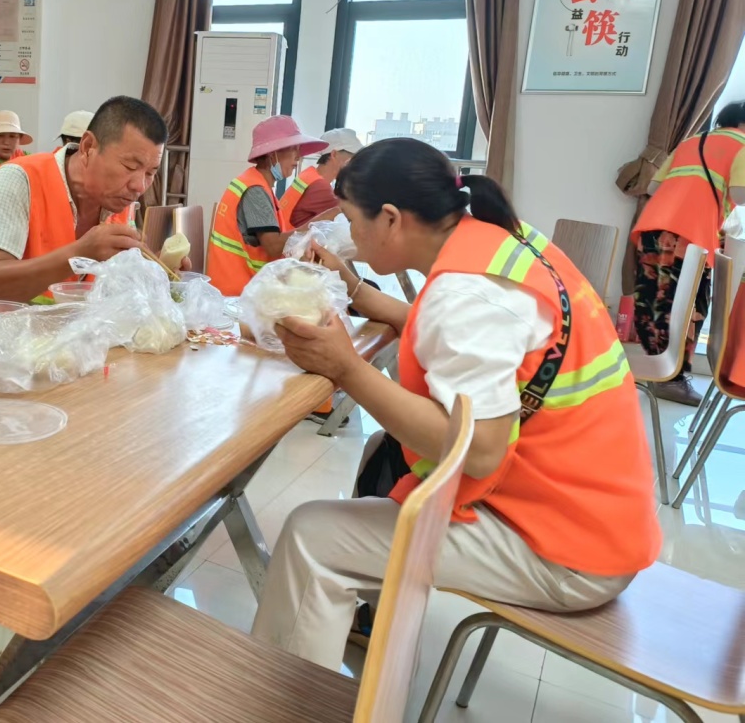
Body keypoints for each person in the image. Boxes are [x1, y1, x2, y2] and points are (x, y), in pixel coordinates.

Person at [250, 138, 660, 670]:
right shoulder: (494, 244)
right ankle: (363, 616)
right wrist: (354, 286)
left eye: (352, 221)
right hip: (593, 509)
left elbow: (482, 451)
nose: (349, 235)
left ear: (393, 219)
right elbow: (442, 332)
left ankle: (287, 697)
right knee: (385, 449)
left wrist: (345, 368)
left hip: (567, 549)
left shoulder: (467, 294)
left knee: (310, 535)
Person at [0, 96, 166, 307]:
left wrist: (155, 268)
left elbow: (113, 279)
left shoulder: (119, 197)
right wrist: (80, 253)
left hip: (68, 336)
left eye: (150, 173)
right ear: (88, 146)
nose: (139, 186)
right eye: (129, 166)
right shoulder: (18, 179)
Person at [631, 100, 745, 405]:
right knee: (689, 306)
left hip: (654, 227)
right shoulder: (743, 145)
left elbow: (655, 187)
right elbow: (739, 194)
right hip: (691, 235)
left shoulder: (691, 140)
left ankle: (655, 370)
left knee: (655, 298)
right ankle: (673, 378)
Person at [207, 115, 328, 297]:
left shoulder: (257, 184)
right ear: (273, 154)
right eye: (293, 149)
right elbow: (272, 246)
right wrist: (316, 225)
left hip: (243, 290)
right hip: (237, 296)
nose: (298, 157)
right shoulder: (255, 190)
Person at [279, 128, 363, 229]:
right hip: (287, 243)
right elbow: (351, 219)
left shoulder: (308, 175)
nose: (354, 164)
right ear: (334, 154)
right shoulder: (320, 187)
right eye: (352, 158)